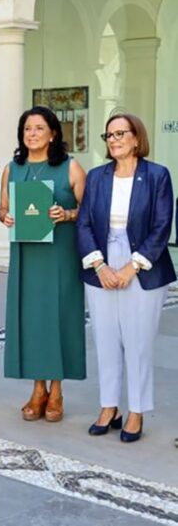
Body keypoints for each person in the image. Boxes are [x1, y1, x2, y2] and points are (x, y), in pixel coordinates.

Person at [77, 113, 174, 443]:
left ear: (137, 138)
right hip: (102, 263)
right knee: (105, 339)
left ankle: (136, 411)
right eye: (109, 135)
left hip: (143, 265)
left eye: (121, 133)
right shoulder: (97, 176)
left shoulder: (158, 175)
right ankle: (109, 407)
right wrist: (100, 267)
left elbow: (162, 227)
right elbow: (85, 224)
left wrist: (131, 267)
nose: (114, 140)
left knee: (138, 342)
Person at [0, 106, 86, 422]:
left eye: (38, 128)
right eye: (27, 129)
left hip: (60, 254)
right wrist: (5, 217)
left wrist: (67, 215)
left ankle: (57, 390)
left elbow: (89, 212)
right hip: (26, 253)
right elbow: (3, 208)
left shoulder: (71, 167)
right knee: (32, 319)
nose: (32, 134)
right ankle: (38, 389)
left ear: (53, 133)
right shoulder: (12, 168)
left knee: (59, 317)